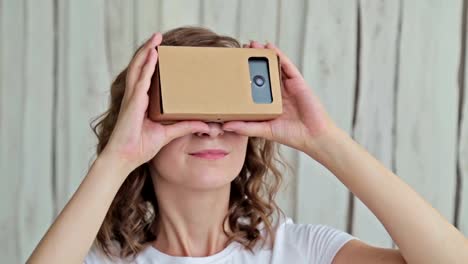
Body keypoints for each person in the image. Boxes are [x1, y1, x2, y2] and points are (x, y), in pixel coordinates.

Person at [27, 26, 468, 264]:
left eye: (228, 111)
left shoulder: (301, 253)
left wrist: (324, 140)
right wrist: (117, 159)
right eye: (187, 110)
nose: (211, 128)